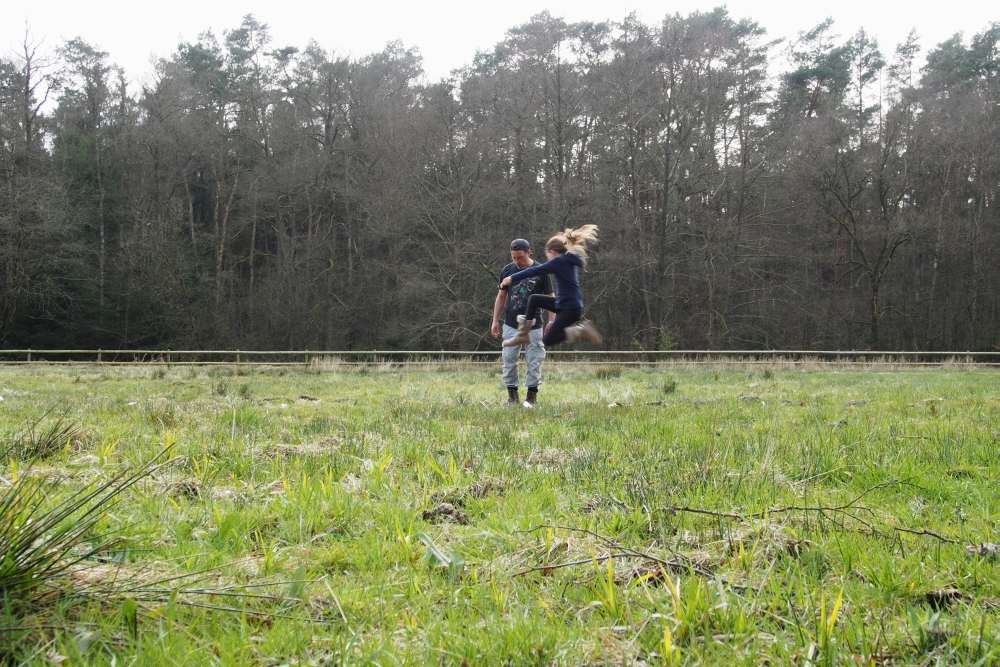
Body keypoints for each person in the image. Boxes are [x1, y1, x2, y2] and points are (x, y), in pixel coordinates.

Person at [500, 225, 602, 349]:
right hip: (566, 305)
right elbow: (573, 253)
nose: (548, 258)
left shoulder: (558, 261)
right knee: (534, 299)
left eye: (548, 254)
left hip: (569, 309)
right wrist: (563, 239)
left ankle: (581, 330)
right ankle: (523, 334)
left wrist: (511, 278)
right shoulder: (569, 258)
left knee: (548, 340)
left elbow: (535, 270)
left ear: (552, 252)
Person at [492, 239, 555, 405]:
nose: (517, 261)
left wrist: (552, 322)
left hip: (534, 325)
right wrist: (495, 321)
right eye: (514, 258)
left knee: (534, 360)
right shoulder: (507, 271)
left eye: (520, 257)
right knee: (509, 359)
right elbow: (501, 298)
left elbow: (550, 298)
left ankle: (531, 398)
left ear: (529, 252)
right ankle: (512, 398)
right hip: (512, 323)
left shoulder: (542, 271)